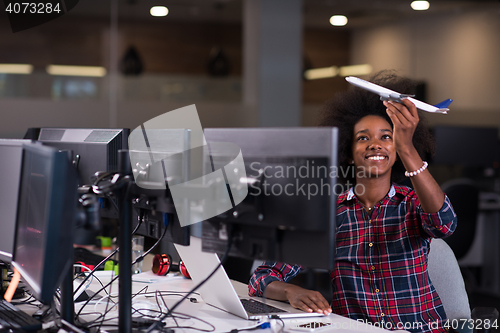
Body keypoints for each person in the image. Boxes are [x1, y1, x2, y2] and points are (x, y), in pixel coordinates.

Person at [248, 71, 457, 333]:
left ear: (397, 152)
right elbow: (261, 278)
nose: (375, 145)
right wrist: (292, 291)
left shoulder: (412, 204)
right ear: (348, 153)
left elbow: (444, 224)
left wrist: (407, 149)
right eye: (363, 137)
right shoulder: (329, 213)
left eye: (386, 137)